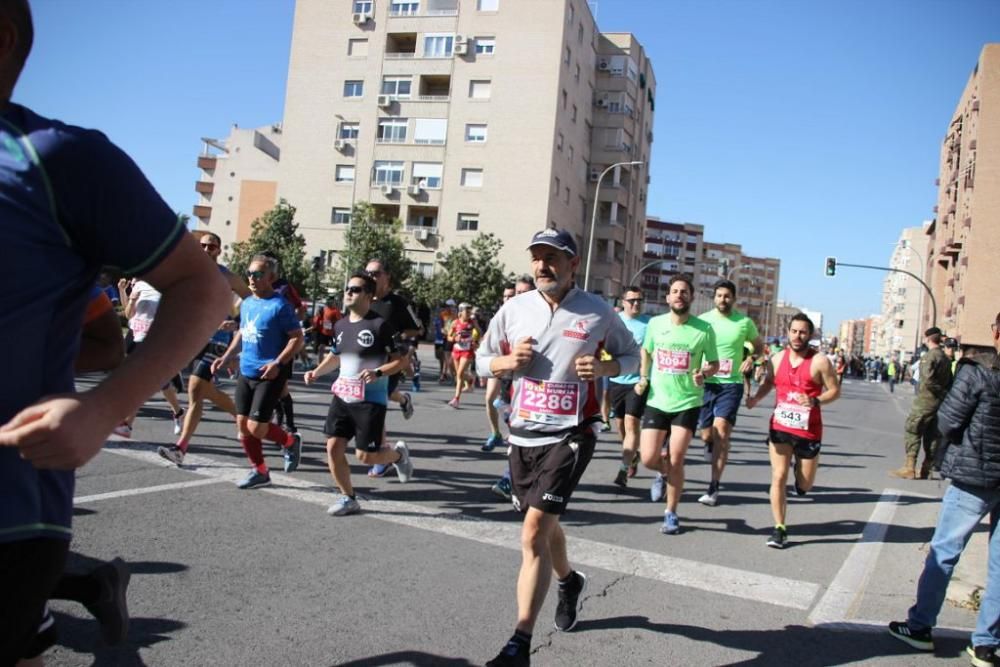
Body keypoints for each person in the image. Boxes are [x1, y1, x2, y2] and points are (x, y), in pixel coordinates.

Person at [0, 2, 232, 661]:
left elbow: (202, 294)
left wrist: (104, 405)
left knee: (206, 399)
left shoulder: (56, 163)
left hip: (11, 508)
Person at [477, 228, 639, 667]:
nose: (543, 265)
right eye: (537, 257)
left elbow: (632, 357)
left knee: (532, 534)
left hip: (572, 433)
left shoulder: (597, 311)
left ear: (573, 263)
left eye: (553, 257)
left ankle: (519, 645)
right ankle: (568, 581)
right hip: (523, 434)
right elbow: (481, 357)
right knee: (543, 525)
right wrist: (506, 363)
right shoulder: (514, 309)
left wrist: (605, 364)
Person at [888, 312, 1000, 666]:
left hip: (974, 474)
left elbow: (948, 420)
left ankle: (920, 627)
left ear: (995, 333)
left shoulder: (977, 371)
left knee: (946, 550)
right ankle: (986, 645)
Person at [304, 272, 414, 516]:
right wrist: (317, 372)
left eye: (355, 289)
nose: (348, 293)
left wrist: (377, 372)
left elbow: (399, 361)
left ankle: (397, 456)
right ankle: (348, 497)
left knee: (366, 457)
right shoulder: (341, 324)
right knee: (333, 447)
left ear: (369, 295)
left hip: (370, 400)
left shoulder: (379, 325)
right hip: (342, 396)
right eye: (347, 289)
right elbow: (335, 355)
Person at [746, 313, 840, 549]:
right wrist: (756, 398)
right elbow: (769, 382)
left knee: (805, 485)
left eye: (803, 332)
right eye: (794, 331)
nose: (798, 336)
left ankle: (801, 471)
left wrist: (815, 400)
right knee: (778, 476)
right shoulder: (777, 359)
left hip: (809, 430)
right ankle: (779, 528)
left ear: (810, 335)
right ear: (788, 332)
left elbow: (834, 390)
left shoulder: (820, 361)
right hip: (780, 426)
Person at [211, 255, 304, 489]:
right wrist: (227, 356)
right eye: (249, 273)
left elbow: (297, 338)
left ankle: (290, 441)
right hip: (247, 369)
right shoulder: (248, 303)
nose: (252, 278)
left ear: (271, 277)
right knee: (242, 426)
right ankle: (260, 471)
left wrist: (278, 363)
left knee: (256, 428)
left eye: (258, 274)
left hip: (270, 373)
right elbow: (243, 331)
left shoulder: (280, 306)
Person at [158, 231, 250, 465]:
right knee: (202, 392)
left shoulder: (229, 278)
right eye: (203, 246)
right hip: (192, 338)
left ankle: (180, 448)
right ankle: (240, 413)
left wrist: (238, 323)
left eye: (212, 246)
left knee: (195, 390)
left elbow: (253, 303)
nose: (207, 250)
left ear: (219, 250)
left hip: (217, 340)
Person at [637, 275, 719, 535]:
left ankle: (671, 513)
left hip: (688, 401)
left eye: (684, 291)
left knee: (677, 459)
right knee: (648, 457)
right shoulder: (655, 323)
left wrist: (704, 374)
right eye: (675, 291)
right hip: (657, 400)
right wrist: (643, 376)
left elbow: (714, 364)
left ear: (691, 297)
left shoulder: (703, 329)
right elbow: (646, 351)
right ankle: (661, 473)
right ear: (668, 297)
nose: (679, 295)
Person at [114, 277, 186, 437]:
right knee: (157, 382)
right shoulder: (139, 284)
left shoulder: (165, 285)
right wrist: (127, 296)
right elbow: (128, 314)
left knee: (139, 382)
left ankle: (127, 424)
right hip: (136, 336)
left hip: (155, 339)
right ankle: (179, 412)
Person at [890, 327, 953, 480]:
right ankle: (926, 468)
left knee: (913, 429)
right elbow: (950, 381)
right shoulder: (945, 358)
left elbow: (927, 380)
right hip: (939, 403)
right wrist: (944, 394)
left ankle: (909, 467)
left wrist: (937, 391)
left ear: (928, 339)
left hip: (925, 400)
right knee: (932, 434)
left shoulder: (929, 357)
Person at [609, 286, 650, 488]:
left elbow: (649, 352)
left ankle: (623, 470)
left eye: (639, 300)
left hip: (638, 382)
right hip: (617, 380)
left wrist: (645, 377)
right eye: (632, 300)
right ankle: (632, 455)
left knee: (632, 423)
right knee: (620, 426)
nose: (636, 303)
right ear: (623, 302)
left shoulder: (649, 324)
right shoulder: (615, 322)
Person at [482, 283, 517, 452]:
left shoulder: (522, 315)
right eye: (505, 296)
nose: (508, 299)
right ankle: (495, 434)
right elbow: (488, 337)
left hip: (513, 366)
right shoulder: (498, 316)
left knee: (507, 404)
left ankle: (515, 435)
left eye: (511, 295)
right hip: (498, 362)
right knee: (490, 399)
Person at [446, 302, 481, 408]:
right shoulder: (455, 323)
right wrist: (454, 339)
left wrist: (475, 340)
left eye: (470, 310)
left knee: (460, 373)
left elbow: (479, 332)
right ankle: (470, 379)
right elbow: (449, 336)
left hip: (468, 350)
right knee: (458, 374)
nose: (469, 313)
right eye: (467, 311)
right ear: (460, 311)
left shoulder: (472, 322)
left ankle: (456, 399)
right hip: (457, 350)